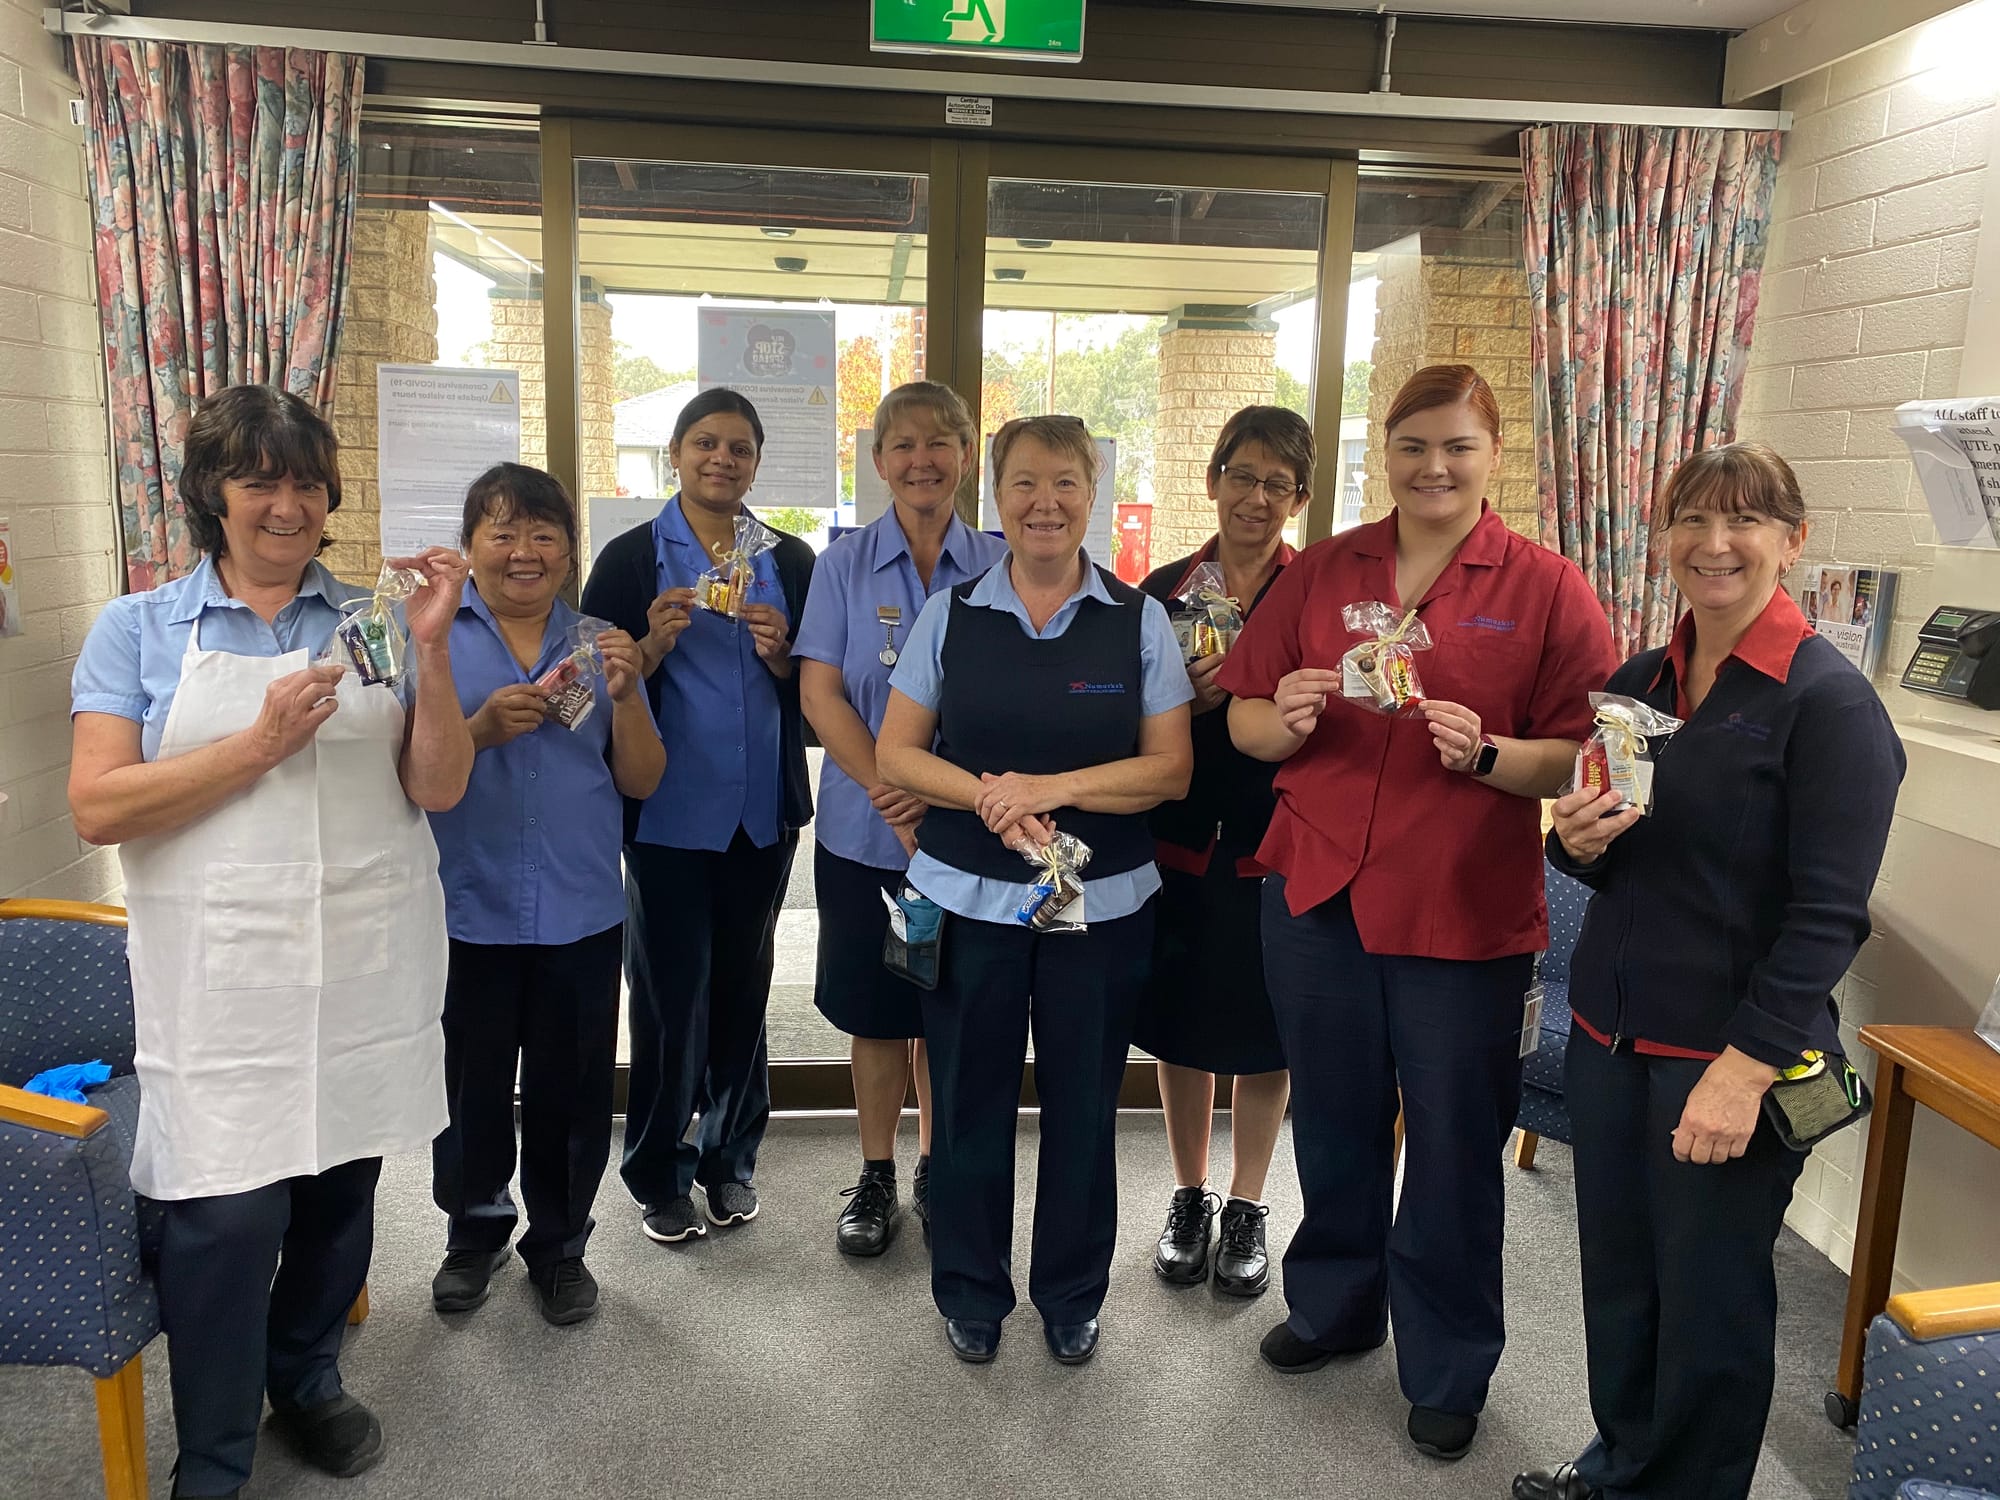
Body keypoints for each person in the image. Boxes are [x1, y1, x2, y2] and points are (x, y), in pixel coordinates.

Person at [67, 385, 472, 1499]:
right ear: (212, 493)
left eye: (304, 481)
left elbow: (434, 784)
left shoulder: (372, 622)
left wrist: (433, 658)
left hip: (360, 971)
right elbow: (99, 807)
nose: (284, 505)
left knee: (341, 1194)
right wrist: (253, 748)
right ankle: (214, 1452)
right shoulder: (139, 629)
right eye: (259, 479)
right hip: (221, 988)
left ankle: (306, 1381)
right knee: (225, 1220)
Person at [1219, 364, 1619, 1461]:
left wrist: (1486, 752)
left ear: (1492, 457)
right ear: (1380, 457)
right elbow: (1244, 720)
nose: (1431, 467)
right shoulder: (1324, 571)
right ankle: (1333, 1309)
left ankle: (1445, 1362)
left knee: (1449, 1145)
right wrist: (1286, 717)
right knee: (1335, 1120)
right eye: (1409, 447)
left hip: (1457, 909)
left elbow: (1580, 758)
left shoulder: (1544, 586)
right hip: (1315, 895)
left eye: (1454, 447)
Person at [1515, 443, 1904, 1500]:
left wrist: (1742, 1070)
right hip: (1609, 1031)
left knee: (1709, 1298)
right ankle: (1623, 1459)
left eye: (1742, 520)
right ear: (1664, 535)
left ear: (1792, 539)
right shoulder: (1639, 682)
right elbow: (1593, 848)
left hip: (1725, 1052)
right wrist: (1573, 844)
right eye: (1690, 518)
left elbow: (1829, 917)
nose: (1713, 542)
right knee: (1622, 1278)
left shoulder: (1826, 705)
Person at [877, 414, 1193, 1366]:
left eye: (1064, 482)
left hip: (1098, 911)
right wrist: (988, 798)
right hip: (966, 904)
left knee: (1085, 1102)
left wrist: (1048, 791)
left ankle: (1070, 1293)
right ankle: (971, 1289)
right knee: (968, 1104)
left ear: (1092, 494)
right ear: (997, 498)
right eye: (1023, 483)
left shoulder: (1137, 620)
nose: (1043, 502)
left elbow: (1170, 770)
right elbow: (896, 752)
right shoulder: (953, 614)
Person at [426, 464, 664, 1326]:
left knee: (570, 1092)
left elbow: (641, 777)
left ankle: (561, 1248)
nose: (523, 552)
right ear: (471, 546)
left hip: (579, 911)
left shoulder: (602, 643)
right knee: (470, 1087)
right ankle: (473, 1233)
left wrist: (630, 697)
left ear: (569, 551)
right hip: (466, 907)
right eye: (501, 532)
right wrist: (480, 729)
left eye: (543, 535)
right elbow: (401, 777)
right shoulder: (433, 640)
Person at [581, 387, 815, 1246]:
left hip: (761, 818)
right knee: (670, 998)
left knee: (743, 998)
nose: (723, 460)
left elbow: (818, 697)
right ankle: (656, 1169)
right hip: (669, 816)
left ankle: (729, 1160)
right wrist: (648, 648)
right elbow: (584, 691)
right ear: (676, 454)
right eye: (706, 444)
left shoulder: (787, 560)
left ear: (757, 464)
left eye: (740, 449)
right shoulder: (632, 558)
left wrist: (786, 659)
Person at [796, 381, 1008, 1256]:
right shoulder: (842, 563)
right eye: (903, 445)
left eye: (941, 442)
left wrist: (938, 790)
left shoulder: (1002, 560)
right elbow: (820, 691)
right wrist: (890, 784)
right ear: (878, 461)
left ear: (966, 455)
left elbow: (1013, 702)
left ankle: (938, 1165)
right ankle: (876, 1172)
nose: (922, 459)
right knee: (879, 1012)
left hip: (966, 836)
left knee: (950, 1009)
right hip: (863, 833)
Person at [1135, 404, 1312, 1299]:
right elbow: (1123, 723)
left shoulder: (1315, 592)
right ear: (1211, 481)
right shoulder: (1160, 591)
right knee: (1182, 1025)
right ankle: (1189, 1193)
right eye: (1241, 476)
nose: (1255, 496)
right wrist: (1187, 707)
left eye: (1276, 483)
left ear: (1299, 498)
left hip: (1276, 846)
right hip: (1176, 844)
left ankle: (1248, 1204)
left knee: (1265, 1033)